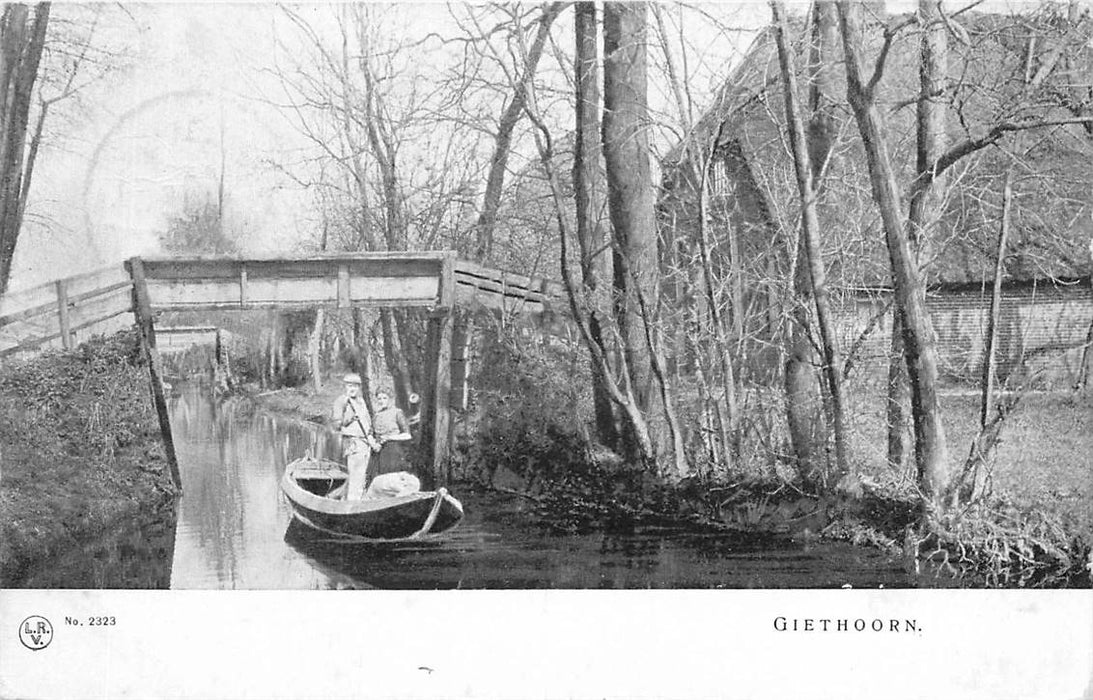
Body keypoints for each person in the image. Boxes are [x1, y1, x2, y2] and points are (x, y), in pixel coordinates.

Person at [332, 373, 379, 500]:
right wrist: (349, 418)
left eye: (355, 386)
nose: (352, 389)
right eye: (349, 386)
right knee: (355, 475)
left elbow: (367, 423)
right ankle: (352, 504)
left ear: (359, 388)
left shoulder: (361, 402)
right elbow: (336, 425)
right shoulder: (342, 401)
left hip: (365, 443)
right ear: (345, 387)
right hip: (352, 442)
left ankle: (356, 501)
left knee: (362, 476)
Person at [368, 389, 412, 481]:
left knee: (391, 479)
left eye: (384, 398)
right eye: (379, 398)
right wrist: (373, 444)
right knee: (376, 479)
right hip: (378, 451)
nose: (381, 401)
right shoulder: (376, 415)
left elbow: (407, 435)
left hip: (393, 451)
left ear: (390, 399)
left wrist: (389, 438)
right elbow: (370, 433)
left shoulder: (397, 412)